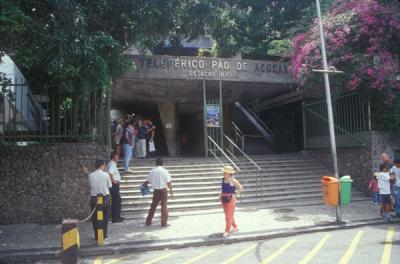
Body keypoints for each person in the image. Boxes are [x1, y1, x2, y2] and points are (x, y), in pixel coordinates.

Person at [142, 158, 173, 227]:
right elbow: (169, 182)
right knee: (164, 207)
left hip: (156, 191)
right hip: (163, 191)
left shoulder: (152, 171)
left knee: (153, 206)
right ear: (162, 163)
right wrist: (171, 191)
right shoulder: (165, 171)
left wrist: (144, 185)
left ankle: (148, 221)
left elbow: (148, 181)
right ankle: (163, 223)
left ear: (156, 163)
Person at [88, 160, 112, 240]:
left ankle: (97, 235)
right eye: (104, 165)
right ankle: (104, 234)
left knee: (95, 218)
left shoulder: (91, 175)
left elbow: (91, 185)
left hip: (94, 198)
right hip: (105, 197)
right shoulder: (106, 175)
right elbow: (110, 185)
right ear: (102, 165)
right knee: (105, 217)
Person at [220, 165, 243, 237]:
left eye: (225, 172)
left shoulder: (232, 180)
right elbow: (223, 189)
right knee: (228, 215)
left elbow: (240, 187)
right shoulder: (223, 179)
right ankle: (235, 227)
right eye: (224, 172)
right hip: (223, 198)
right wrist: (220, 195)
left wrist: (236, 194)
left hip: (231, 199)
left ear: (229, 173)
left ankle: (227, 231)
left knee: (228, 216)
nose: (224, 173)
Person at [107, 152, 124, 223]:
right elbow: (110, 173)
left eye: (118, 157)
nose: (118, 159)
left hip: (113, 185)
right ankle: (116, 218)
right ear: (112, 158)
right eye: (116, 157)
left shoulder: (110, 164)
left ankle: (116, 217)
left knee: (116, 201)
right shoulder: (112, 164)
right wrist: (113, 180)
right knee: (116, 201)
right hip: (114, 185)